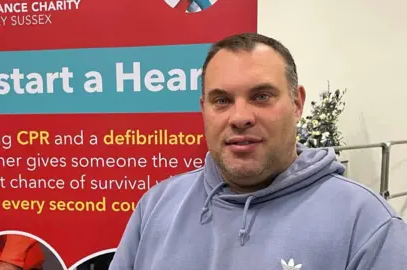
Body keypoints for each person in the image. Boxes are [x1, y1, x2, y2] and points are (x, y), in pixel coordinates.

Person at [108, 32, 407, 269]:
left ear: (297, 103)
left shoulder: (367, 224)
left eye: (261, 96)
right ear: (204, 110)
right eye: (222, 100)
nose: (240, 117)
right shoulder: (157, 207)